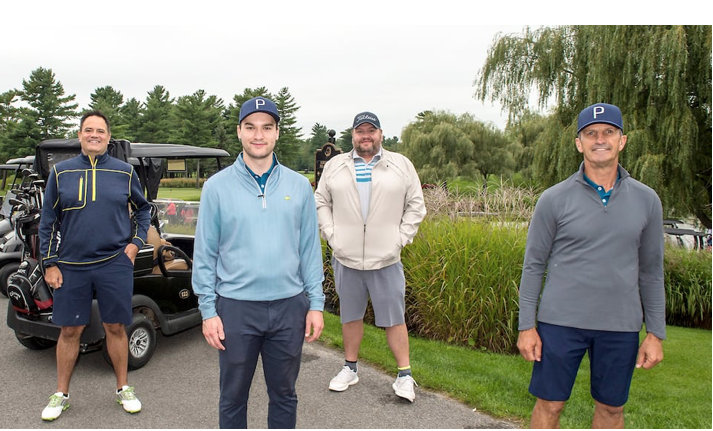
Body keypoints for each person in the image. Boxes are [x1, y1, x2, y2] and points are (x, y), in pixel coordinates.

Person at [517, 103, 666, 428]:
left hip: (620, 326)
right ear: (579, 142)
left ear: (621, 141)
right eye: (591, 133)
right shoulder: (554, 199)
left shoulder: (647, 200)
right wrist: (526, 326)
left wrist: (655, 333)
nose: (600, 139)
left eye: (608, 132)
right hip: (560, 324)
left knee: (612, 410)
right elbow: (534, 266)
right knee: (550, 405)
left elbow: (652, 271)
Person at [192, 96, 325, 429]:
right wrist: (208, 310)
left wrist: (316, 303)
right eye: (250, 127)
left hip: (288, 307)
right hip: (236, 308)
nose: (258, 135)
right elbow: (205, 254)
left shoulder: (299, 186)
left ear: (277, 133)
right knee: (233, 396)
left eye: (267, 127)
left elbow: (309, 249)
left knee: (284, 394)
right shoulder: (216, 187)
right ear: (239, 132)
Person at [39, 111, 151, 421]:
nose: (94, 135)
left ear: (107, 137)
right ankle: (61, 394)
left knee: (115, 326)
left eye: (100, 131)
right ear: (80, 135)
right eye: (88, 130)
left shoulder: (124, 172)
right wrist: (49, 263)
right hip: (71, 265)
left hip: (114, 263)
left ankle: (123, 388)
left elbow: (144, 210)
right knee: (70, 330)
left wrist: (135, 244)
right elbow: (47, 221)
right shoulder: (60, 173)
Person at [314, 111, 426, 402]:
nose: (366, 135)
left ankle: (404, 375)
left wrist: (399, 240)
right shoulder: (336, 166)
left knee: (394, 318)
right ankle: (350, 368)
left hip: (386, 259)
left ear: (380, 134)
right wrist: (331, 234)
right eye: (360, 131)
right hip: (346, 256)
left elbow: (416, 206)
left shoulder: (400, 165)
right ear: (352, 135)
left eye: (371, 130)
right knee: (350, 316)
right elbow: (320, 201)